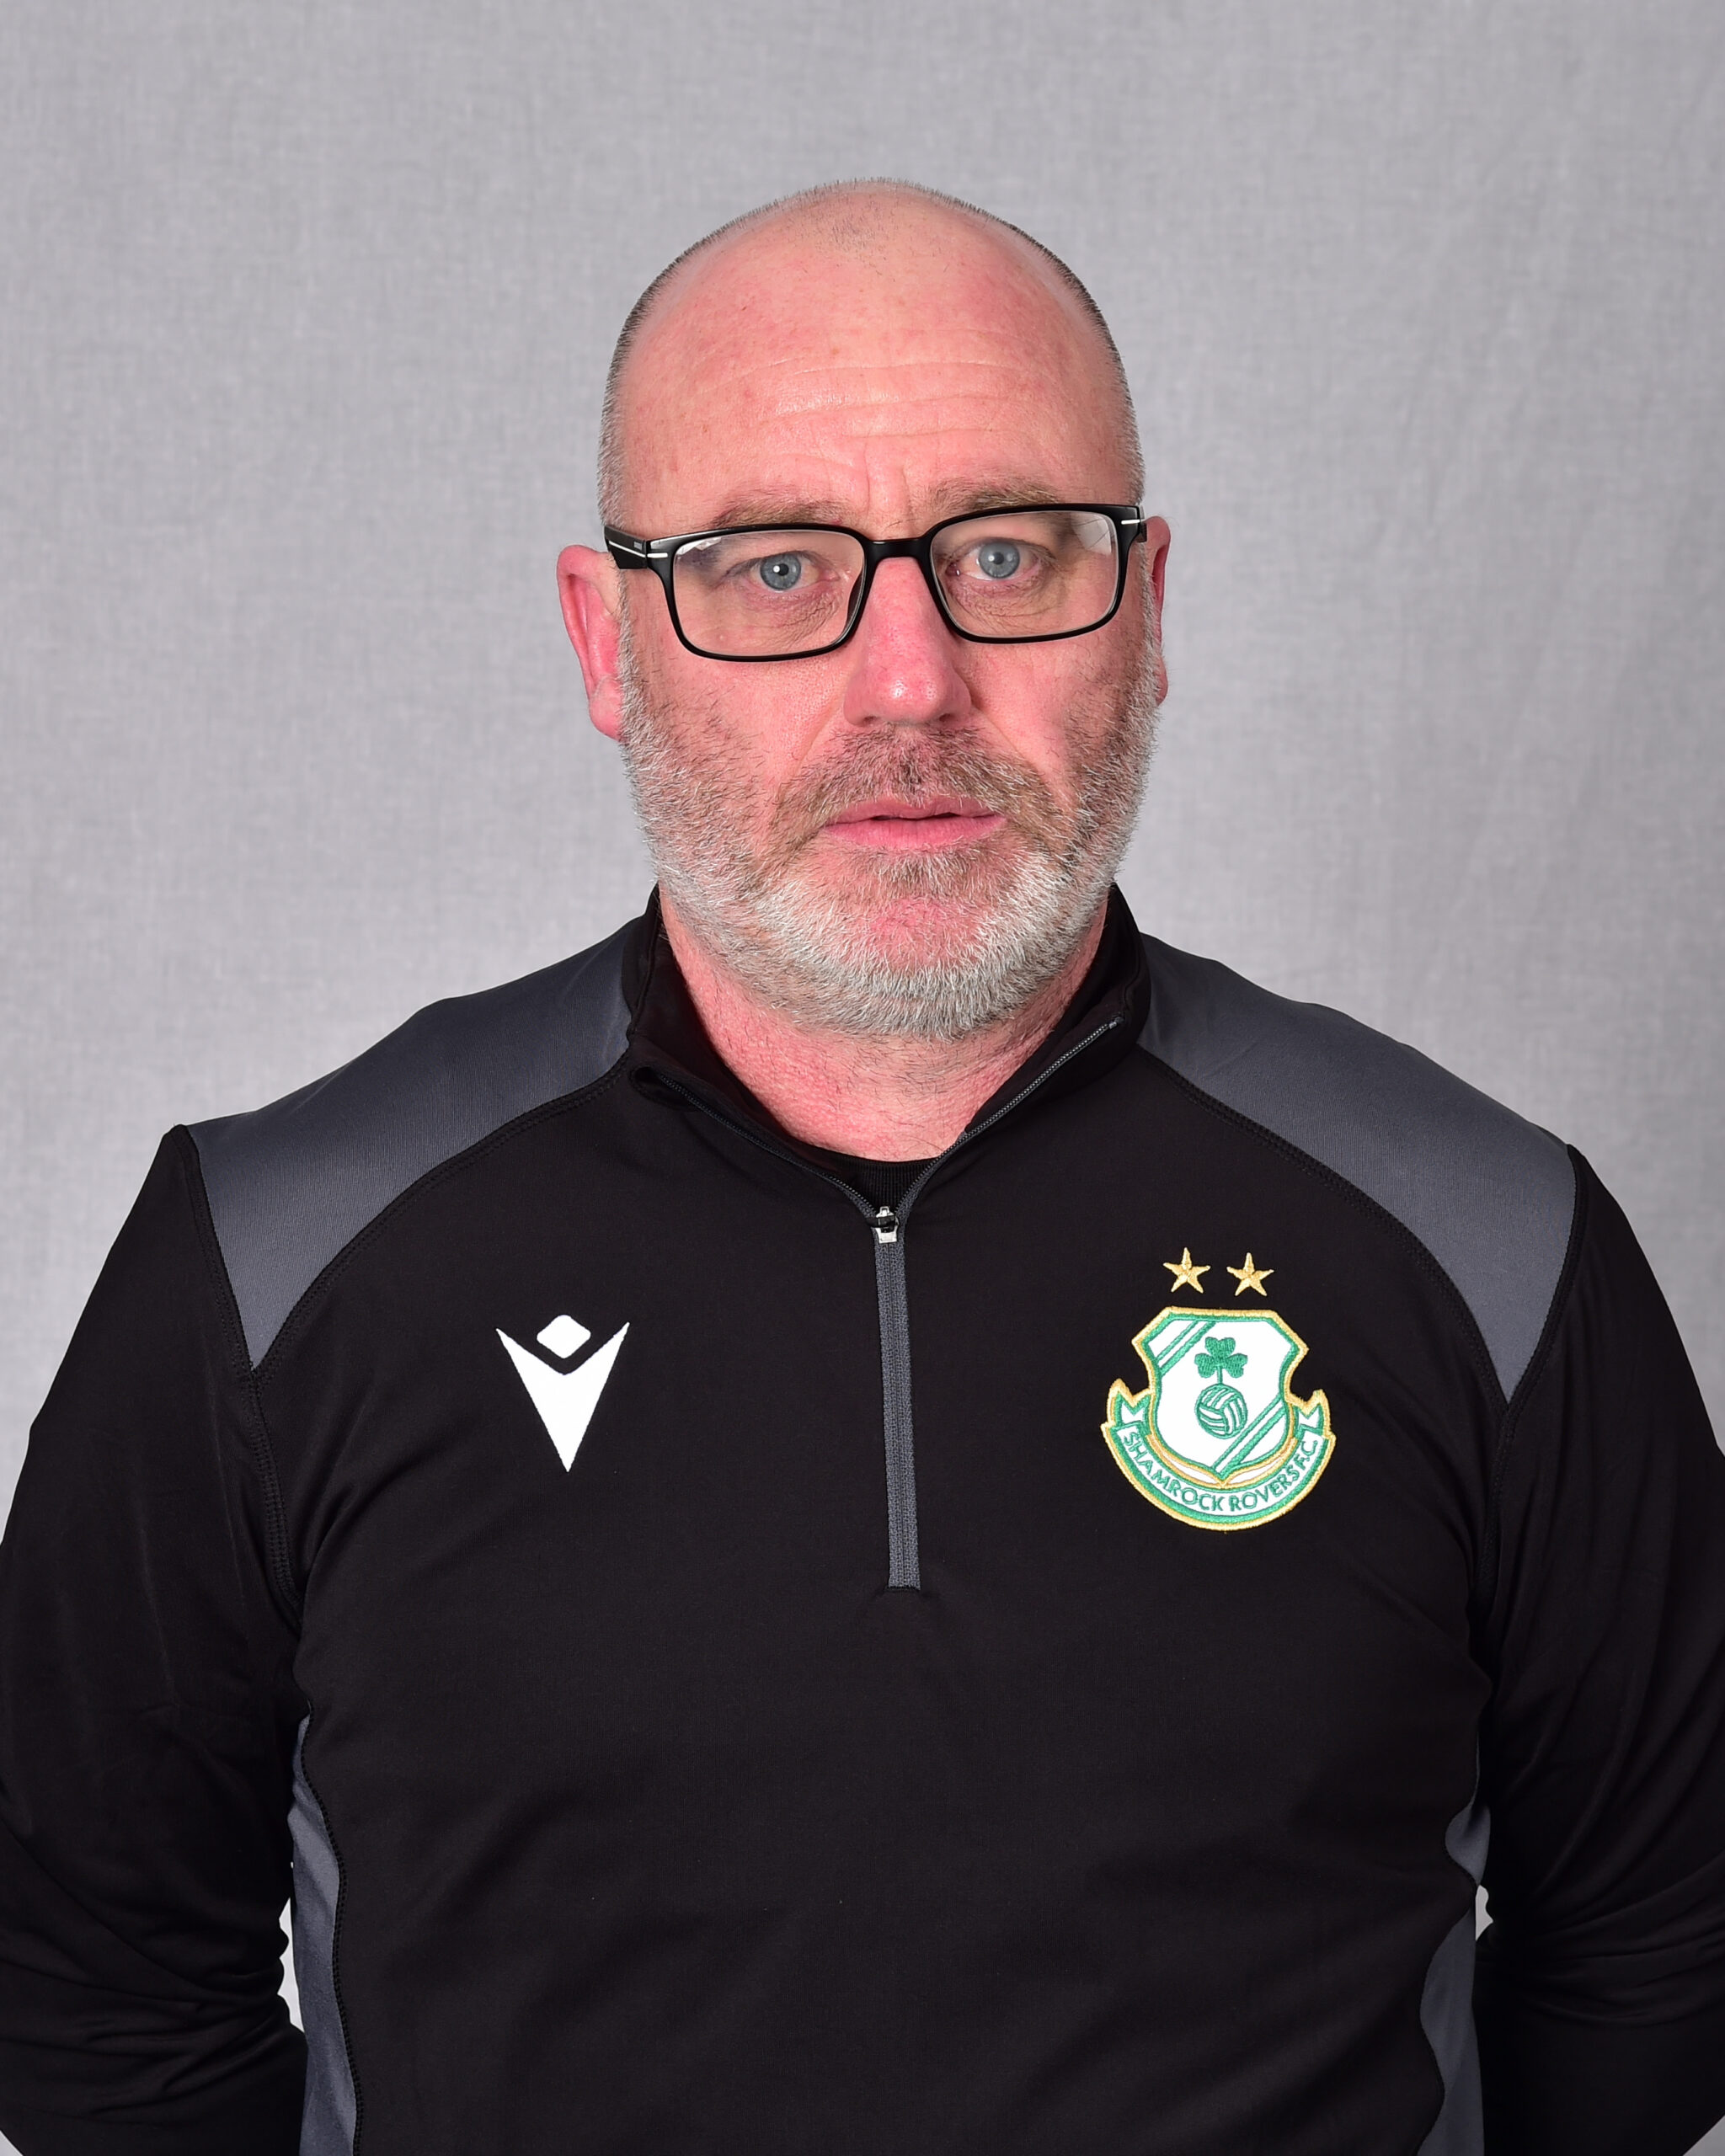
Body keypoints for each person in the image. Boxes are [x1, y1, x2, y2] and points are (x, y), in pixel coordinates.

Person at [1, 179, 1721, 2156]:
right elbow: (94, 2000)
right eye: (769, 567)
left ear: (1145, 613)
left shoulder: (1492, 1243)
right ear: (607, 637)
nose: (909, 680)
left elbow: (1657, 1966)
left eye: (1006, 551)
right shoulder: (272, 1254)